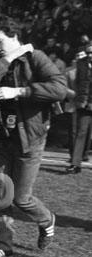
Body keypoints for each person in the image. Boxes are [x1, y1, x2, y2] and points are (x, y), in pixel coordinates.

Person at [0, 15, 67, 257]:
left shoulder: (36, 57)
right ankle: (4, 245)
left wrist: (20, 91)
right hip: (2, 138)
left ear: (13, 36)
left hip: (30, 139)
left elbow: (60, 88)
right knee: (0, 195)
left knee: (21, 198)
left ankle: (47, 219)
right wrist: (6, 57)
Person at [67, 42, 92, 173]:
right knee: (80, 133)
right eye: (89, 52)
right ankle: (75, 164)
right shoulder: (81, 63)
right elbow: (79, 83)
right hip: (84, 103)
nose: (90, 55)